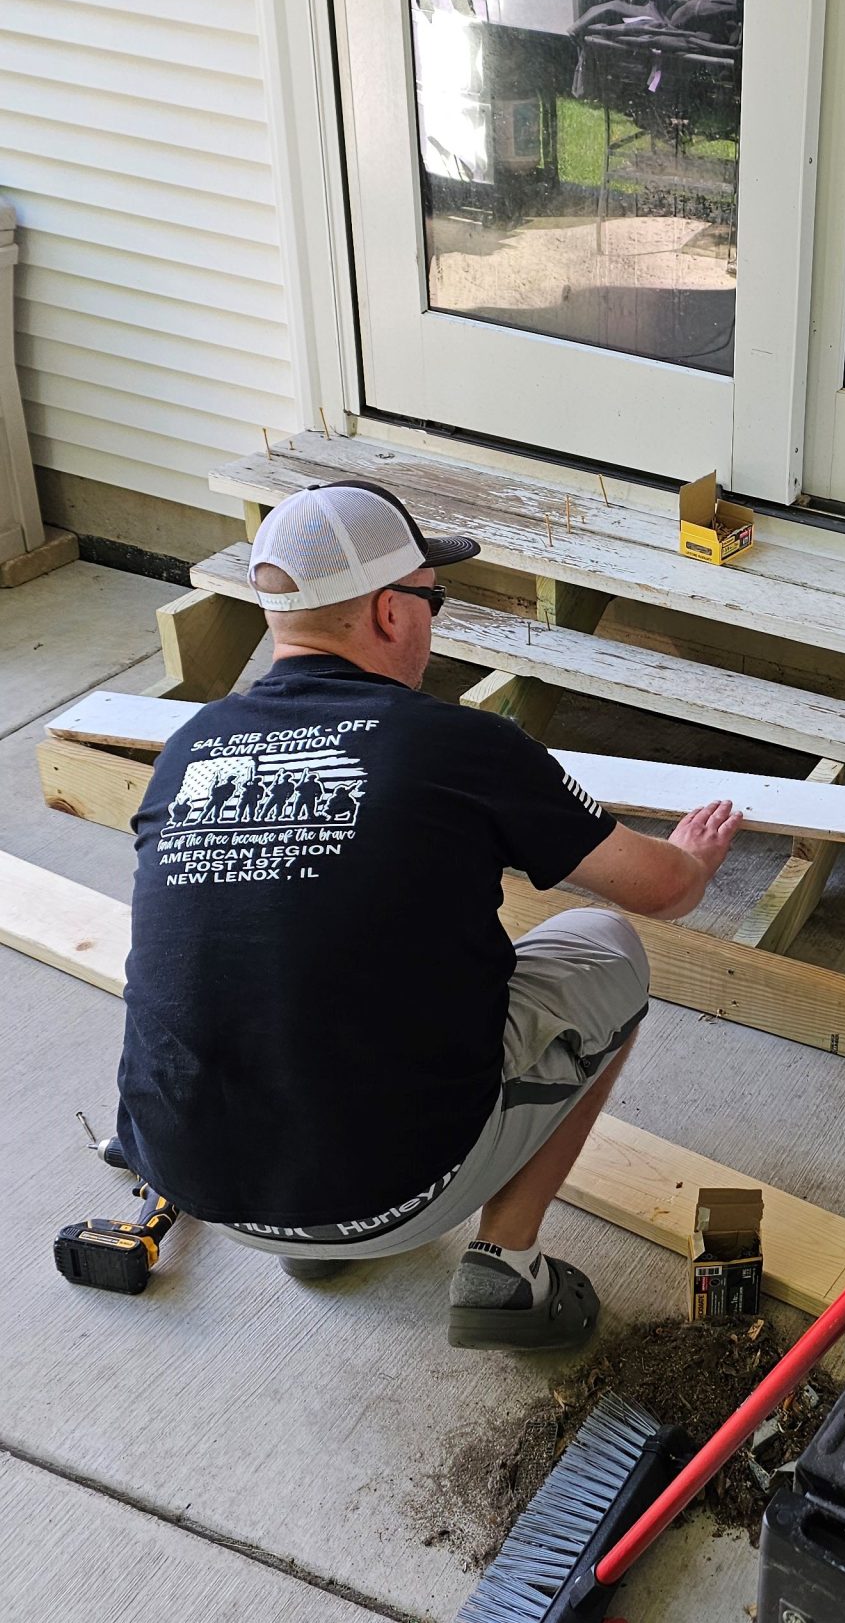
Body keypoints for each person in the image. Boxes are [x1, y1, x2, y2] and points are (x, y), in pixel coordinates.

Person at [114, 479, 743, 1350]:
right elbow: (662, 891)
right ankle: (506, 1269)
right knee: (603, 948)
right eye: (431, 600)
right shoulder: (456, 745)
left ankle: (313, 1245)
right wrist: (694, 855)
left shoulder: (190, 748)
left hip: (203, 1188)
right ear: (387, 611)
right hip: (392, 1192)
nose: (431, 622)